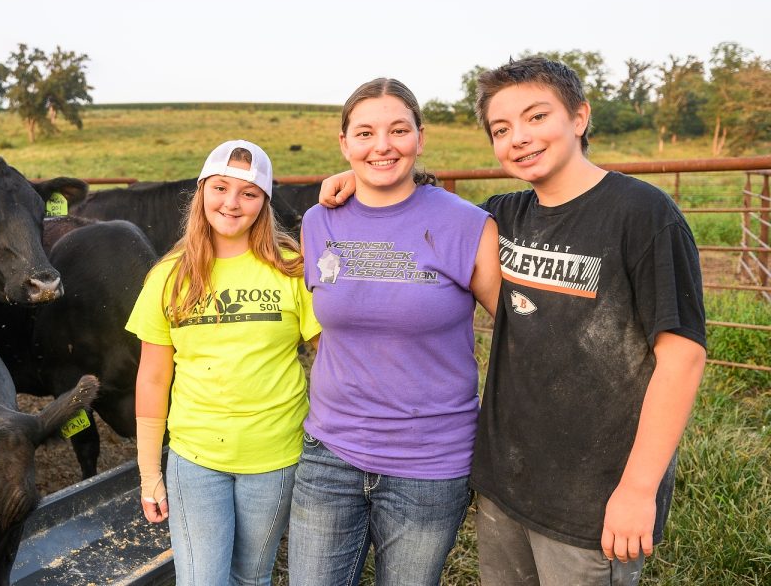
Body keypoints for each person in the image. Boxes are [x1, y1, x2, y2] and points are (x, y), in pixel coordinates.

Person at [320, 58, 708, 585]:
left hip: (593, 488)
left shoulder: (641, 213)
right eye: (502, 130)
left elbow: (682, 357)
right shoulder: (505, 215)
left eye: (536, 117)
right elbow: (423, 213)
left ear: (579, 117)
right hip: (508, 481)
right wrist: (365, 172)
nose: (519, 138)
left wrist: (639, 488)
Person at [289, 78, 500, 586]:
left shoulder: (467, 225)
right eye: (365, 133)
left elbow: (518, 335)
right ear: (345, 144)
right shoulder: (320, 221)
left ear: (420, 137)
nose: (382, 145)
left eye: (398, 130)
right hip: (329, 453)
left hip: (429, 461)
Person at [126, 140, 321, 585]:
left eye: (249, 193)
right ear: (201, 193)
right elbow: (153, 378)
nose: (231, 203)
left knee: (251, 579)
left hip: (277, 457)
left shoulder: (293, 268)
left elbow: (331, 356)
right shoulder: (169, 276)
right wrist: (149, 473)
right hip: (197, 458)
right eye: (220, 188)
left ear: (264, 203)